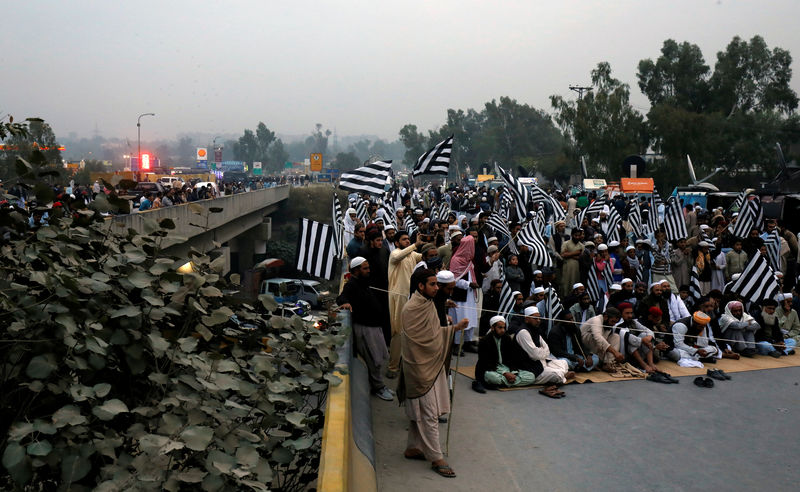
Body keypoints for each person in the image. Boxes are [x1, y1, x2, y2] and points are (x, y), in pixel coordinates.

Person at [399, 269, 468, 478]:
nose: (436, 288)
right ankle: (436, 457)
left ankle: (413, 447)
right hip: (419, 367)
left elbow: (434, 332)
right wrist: (454, 329)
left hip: (430, 364)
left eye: (437, 284)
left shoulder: (427, 303)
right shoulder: (411, 308)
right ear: (421, 286)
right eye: (432, 284)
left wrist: (452, 328)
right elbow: (424, 341)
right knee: (429, 414)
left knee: (420, 413)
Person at [336, 257, 393, 400]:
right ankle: (378, 387)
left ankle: (379, 385)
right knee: (373, 360)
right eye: (365, 268)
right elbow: (341, 297)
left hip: (374, 326)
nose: (368, 270)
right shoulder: (352, 285)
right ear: (356, 270)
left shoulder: (363, 282)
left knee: (378, 358)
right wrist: (346, 303)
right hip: (365, 328)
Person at [387, 231, 423, 378]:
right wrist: (415, 244)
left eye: (409, 239)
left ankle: (405, 364)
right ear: (397, 243)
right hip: (398, 296)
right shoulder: (395, 253)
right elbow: (398, 256)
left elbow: (424, 256)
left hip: (410, 297)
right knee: (398, 331)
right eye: (404, 240)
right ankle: (392, 366)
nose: (407, 241)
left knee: (410, 331)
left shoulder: (412, 255)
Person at [515, 306, 574, 390]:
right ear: (527, 319)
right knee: (557, 374)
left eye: (539, 318)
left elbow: (547, 349)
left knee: (564, 362)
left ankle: (561, 375)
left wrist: (541, 352)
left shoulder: (535, 329)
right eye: (535, 318)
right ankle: (563, 376)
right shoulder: (523, 332)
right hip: (530, 367)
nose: (538, 321)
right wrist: (542, 352)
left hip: (542, 361)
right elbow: (534, 355)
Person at [475, 316, 536, 388]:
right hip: (491, 369)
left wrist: (513, 373)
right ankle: (509, 381)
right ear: (492, 328)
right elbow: (485, 363)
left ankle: (506, 382)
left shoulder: (506, 338)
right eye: (500, 328)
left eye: (504, 327)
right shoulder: (484, 341)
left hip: (506, 368)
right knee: (493, 378)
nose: (503, 330)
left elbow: (512, 358)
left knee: (531, 376)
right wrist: (504, 373)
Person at [560, 228, 584, 294]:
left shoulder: (581, 246)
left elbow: (581, 258)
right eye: (575, 235)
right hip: (567, 268)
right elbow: (563, 255)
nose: (577, 237)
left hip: (576, 269)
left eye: (579, 235)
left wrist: (569, 254)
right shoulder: (566, 243)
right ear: (572, 235)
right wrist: (576, 253)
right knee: (566, 285)